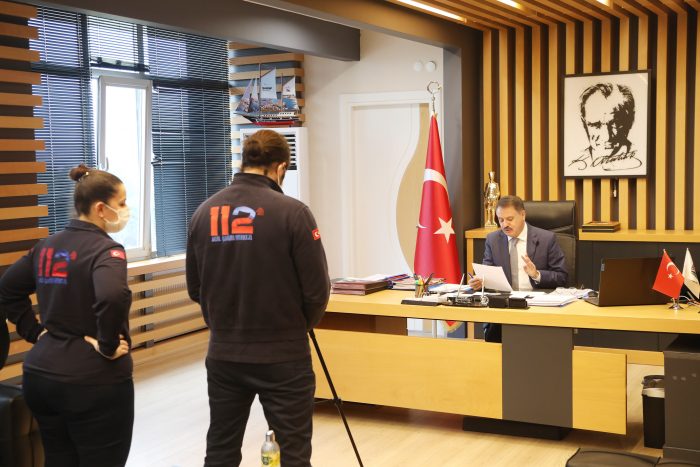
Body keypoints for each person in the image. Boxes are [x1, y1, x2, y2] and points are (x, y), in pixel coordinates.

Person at [186, 129, 330, 467]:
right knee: (293, 452)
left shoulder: (203, 212)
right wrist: (296, 328)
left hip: (224, 352)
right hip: (283, 354)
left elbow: (195, 288)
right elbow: (316, 291)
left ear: (244, 161)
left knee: (221, 448)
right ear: (280, 168)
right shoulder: (294, 213)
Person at [0, 164, 133, 467]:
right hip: (93, 382)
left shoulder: (46, 246)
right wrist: (108, 345)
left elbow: (7, 288)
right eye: (122, 202)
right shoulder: (106, 250)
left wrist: (34, 333)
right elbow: (112, 295)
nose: (126, 209)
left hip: (40, 377)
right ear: (101, 209)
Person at [468, 195, 567, 342]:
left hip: (537, 308)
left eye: (510, 219)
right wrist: (480, 282)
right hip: (504, 309)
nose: (505, 225)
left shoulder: (546, 239)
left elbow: (562, 277)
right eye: (501, 220)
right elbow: (487, 272)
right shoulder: (493, 240)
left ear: (523, 215)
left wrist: (537, 275)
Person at [569, 82, 641, 172]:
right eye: (595, 125)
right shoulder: (573, 166)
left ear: (630, 120)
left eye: (615, 124)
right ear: (584, 123)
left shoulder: (641, 156)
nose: (607, 137)